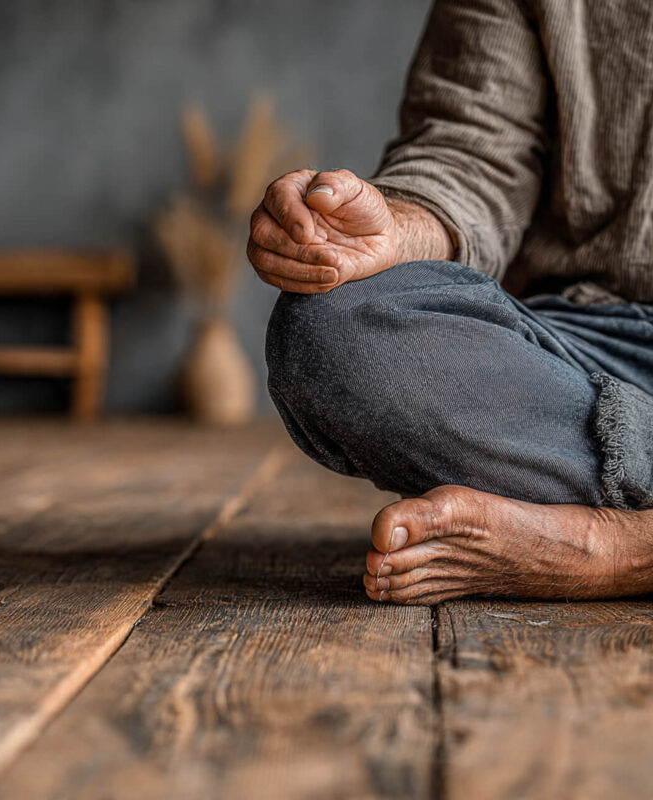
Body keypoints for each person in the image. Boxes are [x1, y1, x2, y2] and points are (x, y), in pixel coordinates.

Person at [247, 0, 653, 604]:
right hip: (585, 346)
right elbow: (474, 149)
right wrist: (391, 229)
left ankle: (620, 549)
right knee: (328, 328)